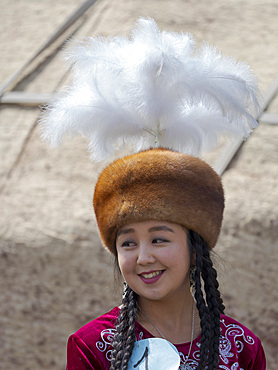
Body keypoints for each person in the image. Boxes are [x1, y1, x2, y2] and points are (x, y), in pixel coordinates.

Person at [41, 18, 266, 370]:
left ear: (195, 247)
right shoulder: (93, 347)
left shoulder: (241, 349)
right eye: (127, 243)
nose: (143, 257)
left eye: (159, 239)